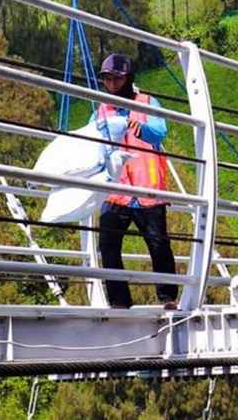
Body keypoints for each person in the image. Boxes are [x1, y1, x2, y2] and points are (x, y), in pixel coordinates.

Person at [94, 53, 178, 309]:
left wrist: (134, 126)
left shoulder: (147, 102)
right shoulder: (101, 109)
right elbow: (92, 142)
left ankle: (168, 298)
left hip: (147, 189)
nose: (111, 84)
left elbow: (159, 132)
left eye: (116, 79)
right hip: (116, 190)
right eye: (107, 79)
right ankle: (119, 302)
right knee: (108, 245)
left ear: (128, 78)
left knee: (158, 244)